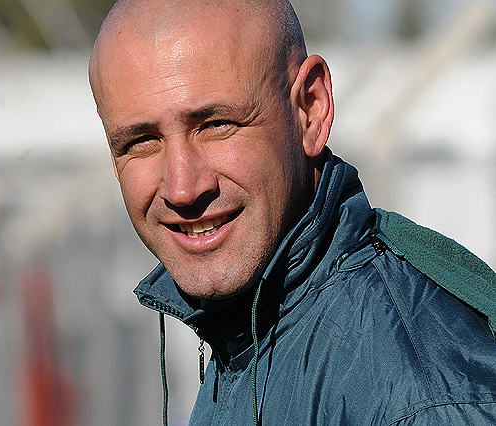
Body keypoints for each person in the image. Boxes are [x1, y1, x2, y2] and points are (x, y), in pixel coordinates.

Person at [88, 0, 496, 424]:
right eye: (141, 141)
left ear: (310, 110)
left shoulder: (425, 400)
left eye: (216, 125)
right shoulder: (246, 337)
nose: (182, 188)